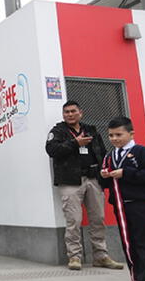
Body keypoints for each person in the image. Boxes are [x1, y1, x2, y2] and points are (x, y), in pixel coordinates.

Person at [45, 101, 124, 271]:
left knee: (98, 219)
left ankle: (101, 256)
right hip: (70, 181)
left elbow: (102, 153)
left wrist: (105, 173)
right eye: (66, 112)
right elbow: (52, 150)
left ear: (81, 113)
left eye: (73, 111)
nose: (70, 114)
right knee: (74, 220)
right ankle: (74, 257)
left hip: (93, 179)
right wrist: (75, 143)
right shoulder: (57, 131)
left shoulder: (91, 130)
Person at [101, 117, 145, 281]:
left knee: (144, 244)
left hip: (141, 205)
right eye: (111, 135)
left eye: (119, 134)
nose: (114, 138)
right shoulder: (110, 156)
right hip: (121, 206)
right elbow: (107, 182)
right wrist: (104, 175)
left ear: (131, 133)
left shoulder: (141, 152)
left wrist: (127, 173)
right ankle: (137, 280)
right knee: (130, 244)